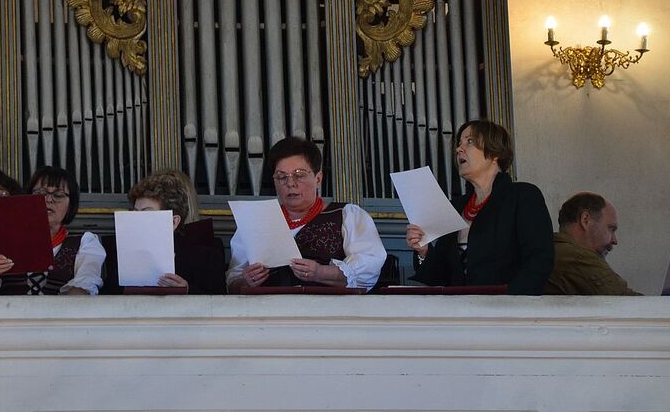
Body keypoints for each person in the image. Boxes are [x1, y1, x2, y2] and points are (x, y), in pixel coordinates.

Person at [407, 119, 554, 295]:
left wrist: (509, 302)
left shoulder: (523, 196)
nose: (458, 149)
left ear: (494, 153)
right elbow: (440, 277)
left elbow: (539, 261)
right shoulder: (455, 206)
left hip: (508, 313)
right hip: (459, 314)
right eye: (459, 143)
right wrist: (423, 252)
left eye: (470, 141)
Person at [227, 136, 387, 292]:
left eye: (299, 175)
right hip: (267, 313)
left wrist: (320, 273)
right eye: (282, 177)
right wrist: (246, 281)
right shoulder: (255, 222)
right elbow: (232, 281)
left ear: (318, 179)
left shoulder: (347, 215)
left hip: (329, 314)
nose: (290, 183)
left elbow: (369, 266)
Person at [0, 166, 104, 295]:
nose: (48, 200)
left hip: (58, 320)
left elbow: (86, 284)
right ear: (27, 199)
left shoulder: (86, 242)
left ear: (70, 205)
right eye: (41, 193)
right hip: (7, 319)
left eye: (58, 195)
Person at [121, 169, 226, 294]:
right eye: (135, 214)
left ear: (173, 222)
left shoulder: (207, 258)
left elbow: (220, 303)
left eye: (146, 213)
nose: (137, 221)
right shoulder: (124, 255)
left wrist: (187, 290)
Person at [545, 192, 641, 295]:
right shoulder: (577, 257)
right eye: (611, 228)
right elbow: (627, 302)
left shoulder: (554, 251)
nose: (614, 240)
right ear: (585, 220)